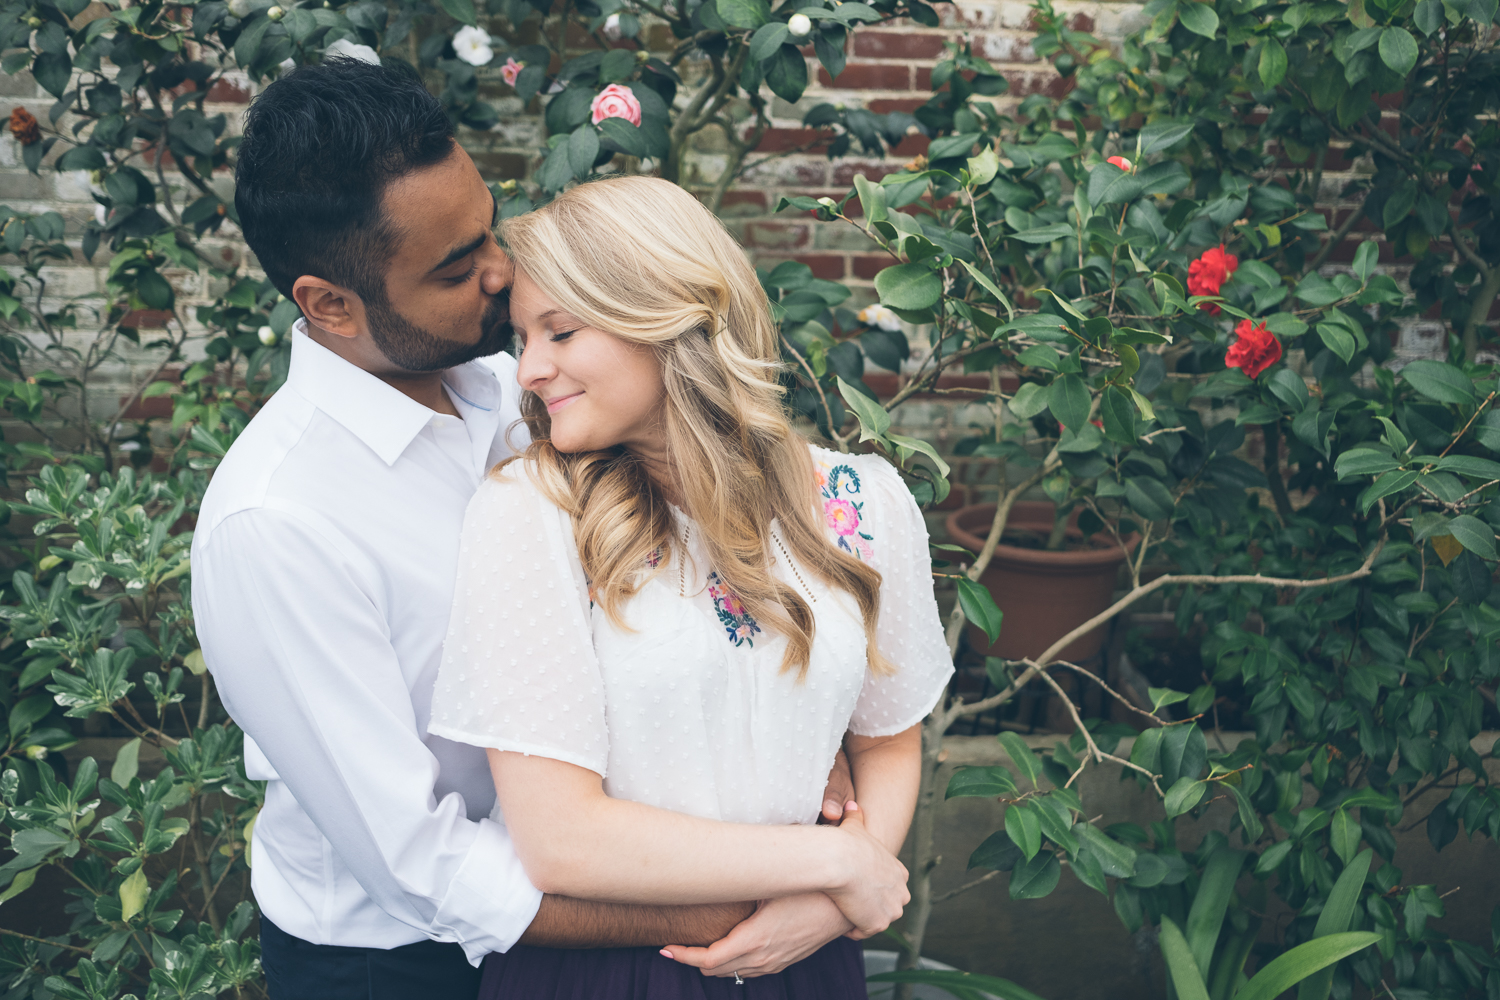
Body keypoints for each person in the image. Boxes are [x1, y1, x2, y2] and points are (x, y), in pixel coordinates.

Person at [193, 60, 860, 1000]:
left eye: (488, 230)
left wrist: (797, 737)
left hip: (634, 887)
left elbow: (702, 569)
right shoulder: (277, 524)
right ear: (330, 304)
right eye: (454, 269)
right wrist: (753, 903)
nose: (501, 273)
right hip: (400, 964)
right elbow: (420, 866)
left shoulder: (531, 389)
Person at [429, 175, 954, 999]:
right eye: (522, 338)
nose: (528, 369)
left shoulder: (864, 503)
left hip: (808, 960)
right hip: (614, 971)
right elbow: (560, 840)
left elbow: (886, 740)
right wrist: (834, 863)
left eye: (560, 332)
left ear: (666, 315)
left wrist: (828, 908)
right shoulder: (533, 513)